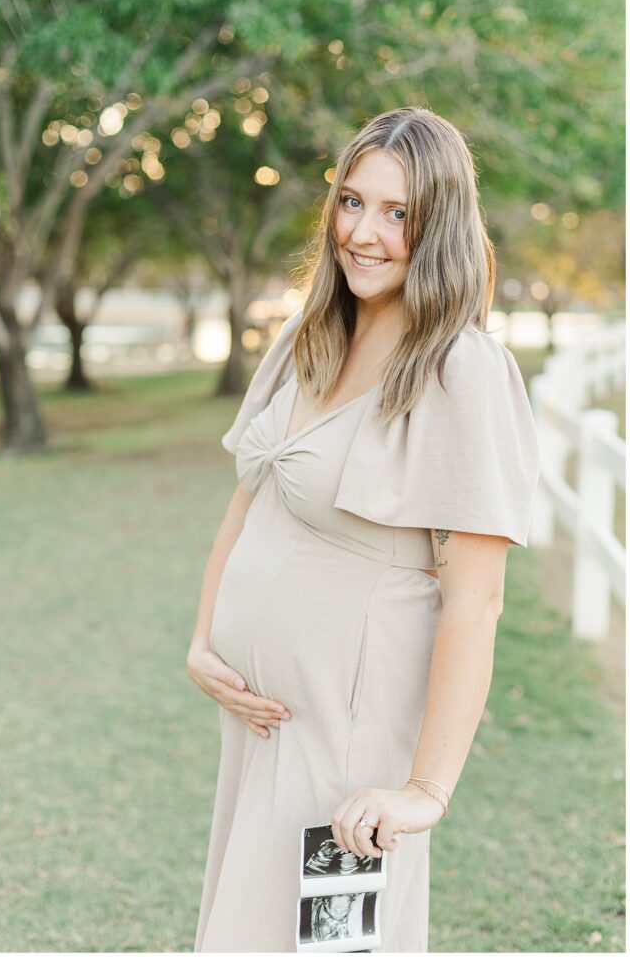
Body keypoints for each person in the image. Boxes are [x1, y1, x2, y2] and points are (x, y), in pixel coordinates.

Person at [187, 106, 540, 952]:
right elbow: (251, 497)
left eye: (397, 214)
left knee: (327, 950)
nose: (364, 234)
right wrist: (203, 642)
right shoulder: (309, 333)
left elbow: (475, 601)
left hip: (347, 756)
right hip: (262, 725)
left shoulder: (458, 368)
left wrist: (423, 789)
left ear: (440, 227)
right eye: (351, 202)